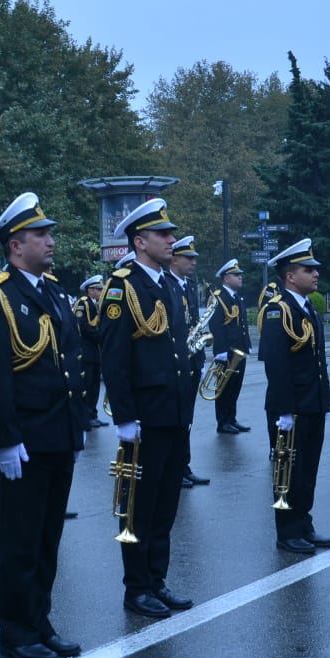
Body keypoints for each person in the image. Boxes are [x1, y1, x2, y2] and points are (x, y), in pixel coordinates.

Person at [0, 192, 88, 658]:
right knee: (19, 539)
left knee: (46, 538)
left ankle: (40, 621)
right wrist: (4, 440)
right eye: (41, 235)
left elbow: (70, 363)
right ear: (15, 245)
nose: (50, 242)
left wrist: (75, 429)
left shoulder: (55, 291)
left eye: (49, 234)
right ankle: (16, 631)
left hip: (56, 434)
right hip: (21, 439)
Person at [99, 197, 197, 620]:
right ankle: (136, 587)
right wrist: (123, 417)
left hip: (172, 412)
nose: (171, 239)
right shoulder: (122, 285)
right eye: (162, 234)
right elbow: (115, 357)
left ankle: (156, 580)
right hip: (144, 416)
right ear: (140, 241)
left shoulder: (166, 284)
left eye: (170, 233)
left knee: (165, 504)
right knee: (138, 506)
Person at [260, 239, 330, 555]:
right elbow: (276, 365)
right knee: (288, 470)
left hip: (313, 403)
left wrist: (322, 399)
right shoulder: (279, 310)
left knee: (308, 469)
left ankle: (304, 523)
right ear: (290, 276)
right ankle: (287, 532)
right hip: (290, 407)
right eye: (308, 270)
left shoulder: (305, 308)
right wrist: (285, 410)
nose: (315, 274)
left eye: (315, 269)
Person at [166, 235, 211, 487]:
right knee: (176, 419)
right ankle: (175, 467)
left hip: (191, 360)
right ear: (174, 259)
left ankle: (184, 464)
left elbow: (194, 322)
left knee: (187, 418)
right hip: (176, 362)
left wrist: (200, 359)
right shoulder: (167, 285)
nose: (193, 262)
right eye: (188, 258)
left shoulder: (188, 284)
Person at [210, 259, 251, 434]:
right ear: (226, 278)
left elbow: (242, 324)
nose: (240, 277)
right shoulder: (218, 297)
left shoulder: (237, 297)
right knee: (224, 388)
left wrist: (247, 344)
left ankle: (231, 418)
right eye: (236, 275)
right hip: (226, 352)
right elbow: (215, 325)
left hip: (239, 351)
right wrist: (220, 351)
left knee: (235, 387)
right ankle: (222, 422)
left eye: (240, 274)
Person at [73, 275, 105, 429]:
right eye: (98, 289)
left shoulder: (97, 304)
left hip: (95, 350)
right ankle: (85, 416)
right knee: (87, 384)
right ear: (90, 290)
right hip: (85, 349)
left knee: (94, 384)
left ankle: (93, 414)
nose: (101, 291)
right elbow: (83, 326)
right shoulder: (83, 303)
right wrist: (101, 337)